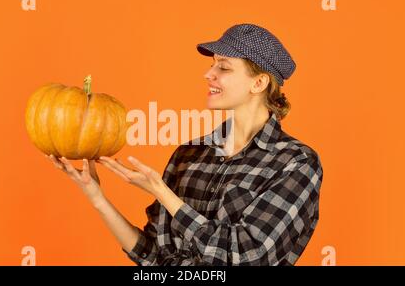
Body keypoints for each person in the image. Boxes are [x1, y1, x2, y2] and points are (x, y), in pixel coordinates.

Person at [47, 23, 323, 266]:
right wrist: (97, 197)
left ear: (259, 83)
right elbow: (152, 255)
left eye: (223, 67)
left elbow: (249, 256)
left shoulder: (295, 162)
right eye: (212, 63)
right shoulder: (189, 155)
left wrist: (162, 191)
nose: (208, 74)